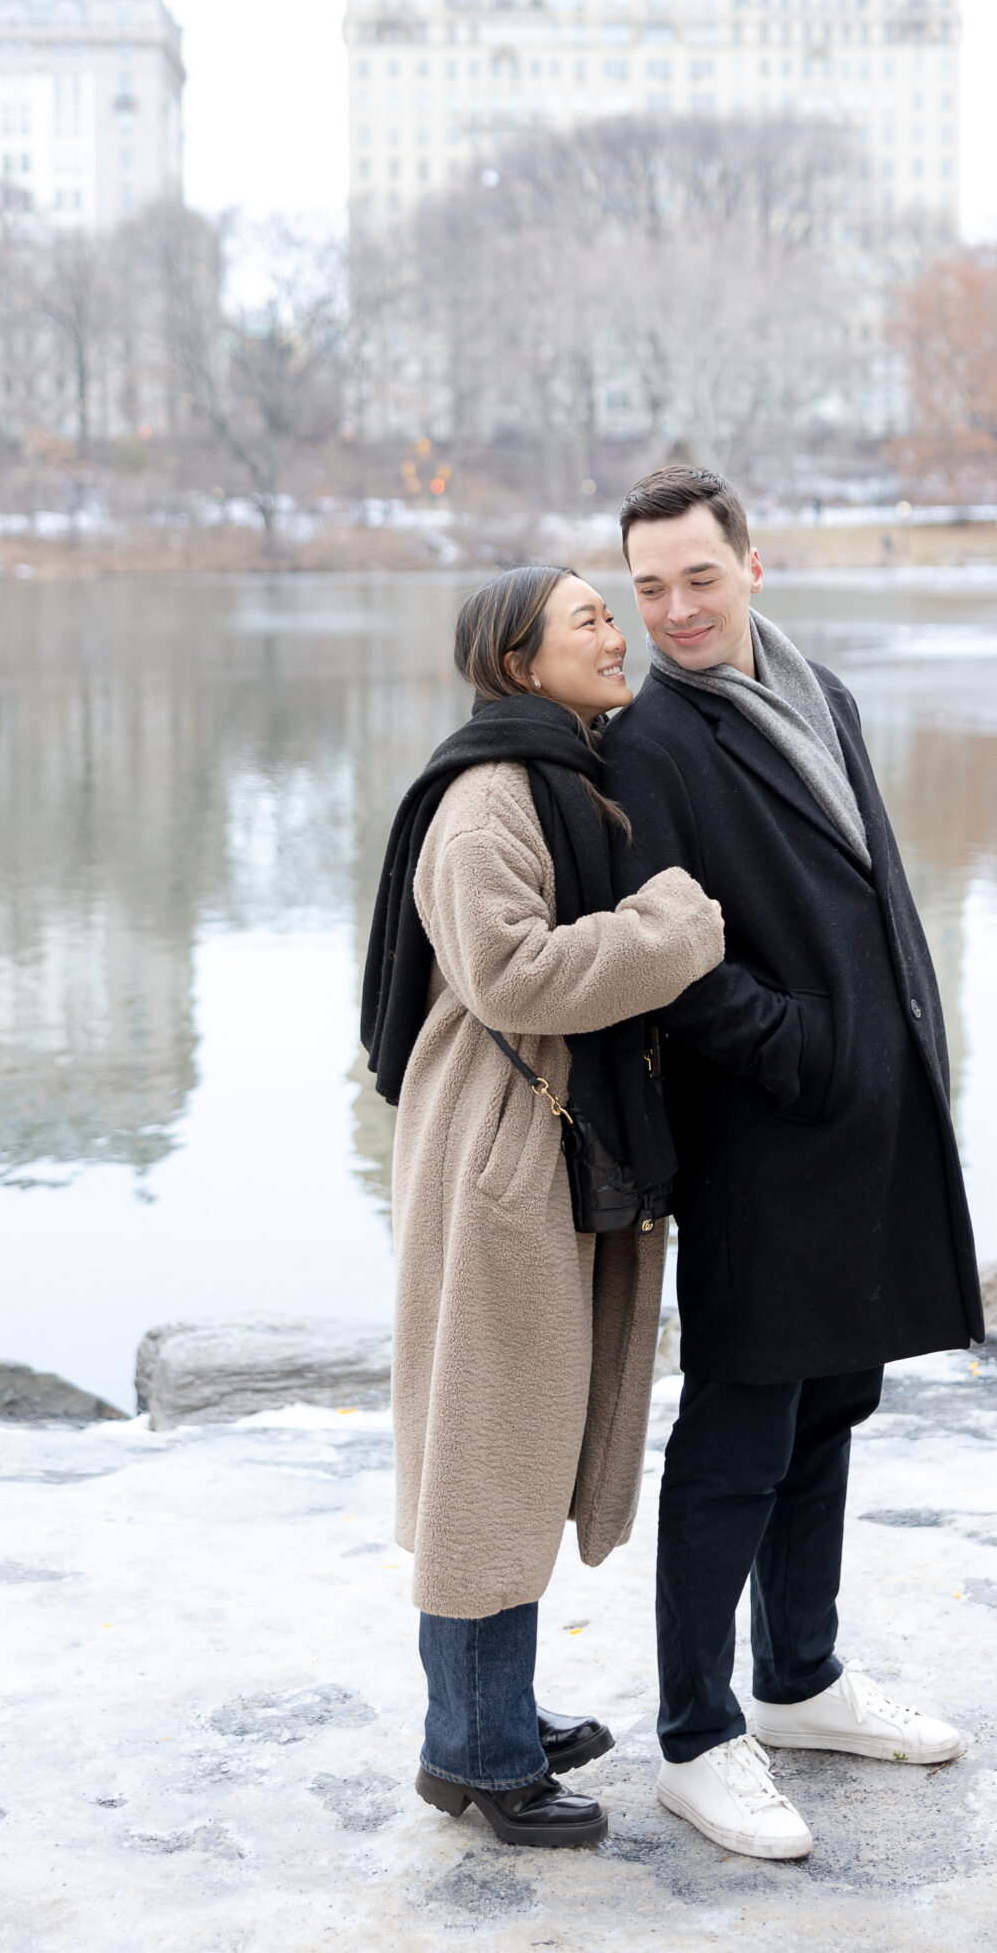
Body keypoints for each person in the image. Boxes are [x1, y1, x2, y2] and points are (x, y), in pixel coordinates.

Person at [602, 467, 985, 1862]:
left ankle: (801, 1675)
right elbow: (668, 962)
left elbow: (870, 887)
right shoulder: (649, 745)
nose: (674, 610)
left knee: (832, 1402)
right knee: (737, 1433)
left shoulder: (824, 695)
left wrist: (897, 1052)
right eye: (647, 588)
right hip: (763, 1132)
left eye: (697, 577)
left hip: (869, 1119)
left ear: (752, 568)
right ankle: (696, 1738)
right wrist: (806, 1051)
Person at [360, 564, 724, 1850]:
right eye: (588, 619)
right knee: (487, 1462)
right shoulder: (487, 801)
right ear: (519, 661)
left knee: (514, 1451)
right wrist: (673, 928)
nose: (616, 632)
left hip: (540, 1141)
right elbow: (511, 975)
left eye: (607, 614)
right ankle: (476, 1753)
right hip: (500, 1153)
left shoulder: (555, 774)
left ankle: (490, 1710)